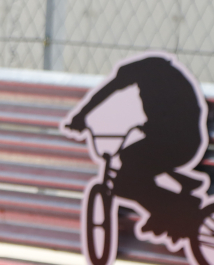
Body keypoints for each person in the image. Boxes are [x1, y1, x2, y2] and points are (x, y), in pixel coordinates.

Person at [63, 54, 206, 236]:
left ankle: (169, 211)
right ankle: (168, 211)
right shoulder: (167, 76)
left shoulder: (143, 73)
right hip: (186, 141)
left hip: (173, 142)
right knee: (133, 163)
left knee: (126, 176)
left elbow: (108, 90)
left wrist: (80, 116)